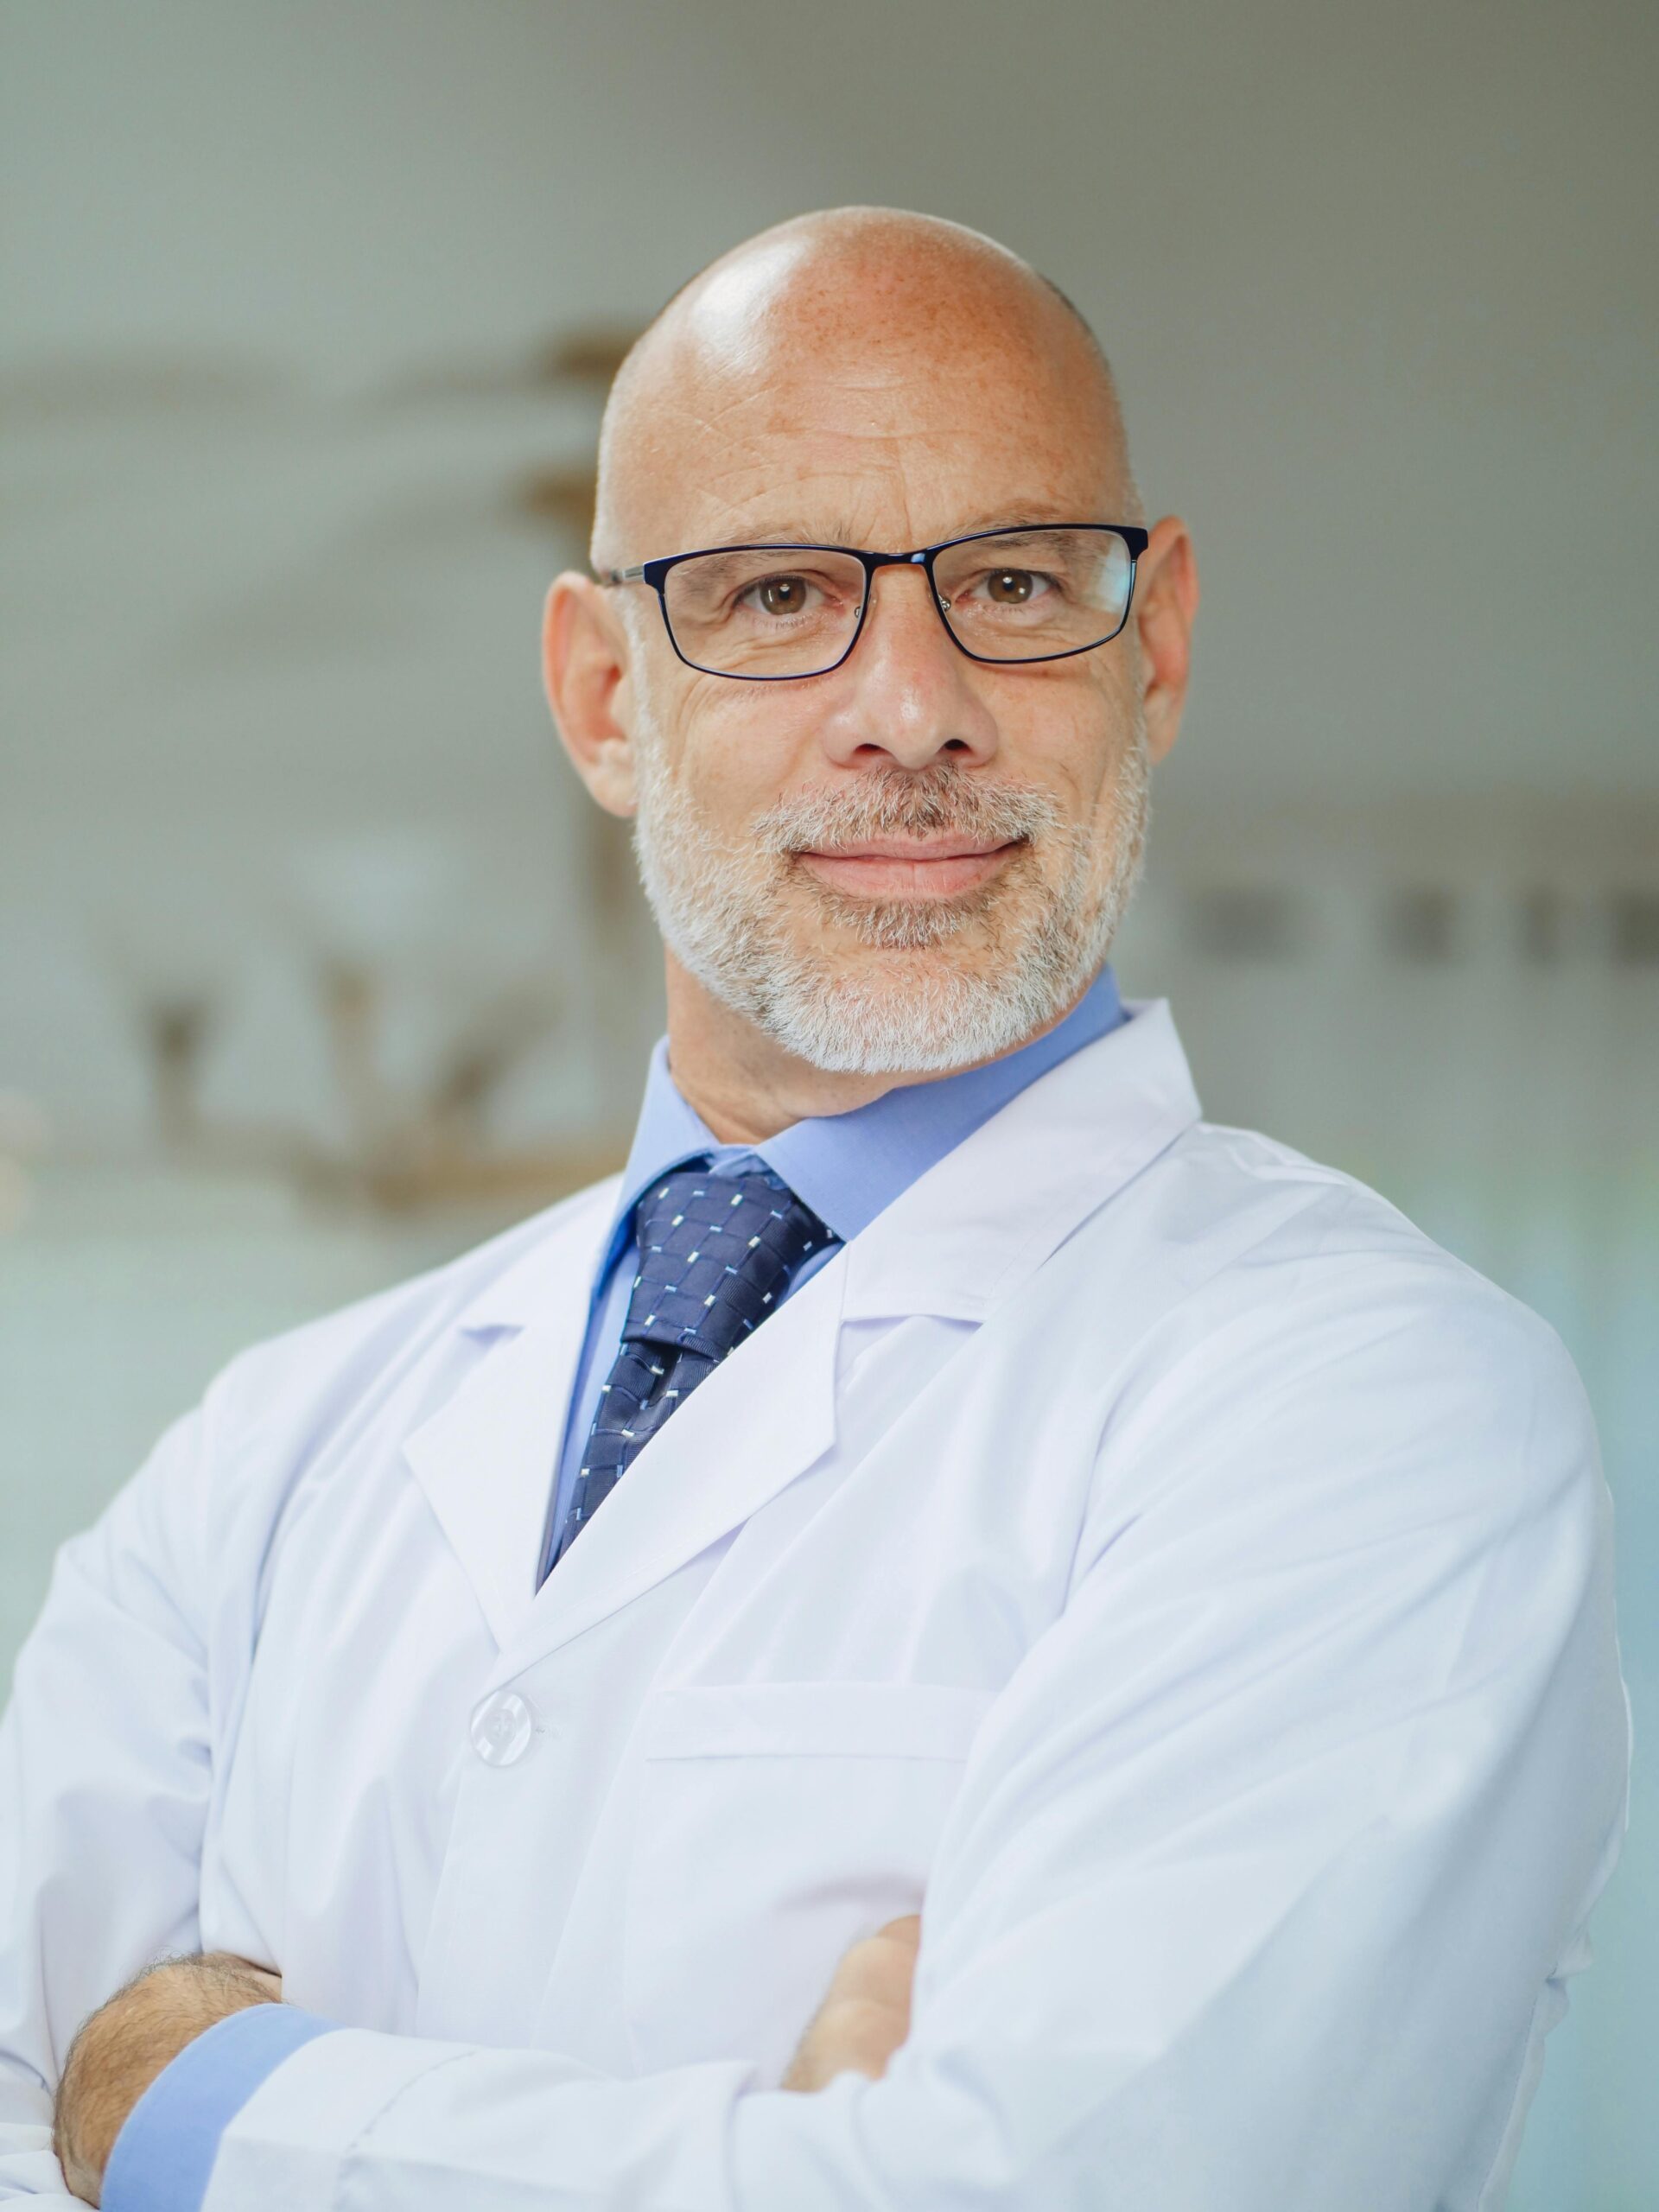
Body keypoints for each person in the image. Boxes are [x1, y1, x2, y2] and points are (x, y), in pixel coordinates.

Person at [2, 208, 1628, 2211]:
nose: (916, 706)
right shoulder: (257, 1457)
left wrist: (175, 2107)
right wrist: (778, 2149)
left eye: (1018, 580)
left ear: (1161, 648)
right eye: (780, 595)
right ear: (604, 698)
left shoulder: (1376, 1408)